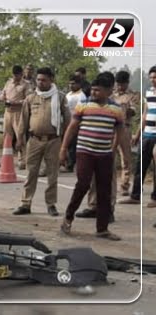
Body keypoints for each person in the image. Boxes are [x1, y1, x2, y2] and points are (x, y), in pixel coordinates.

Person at [60, 76, 127, 241]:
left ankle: (102, 228)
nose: (94, 92)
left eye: (98, 90)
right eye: (93, 89)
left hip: (104, 154)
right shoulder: (83, 106)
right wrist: (63, 149)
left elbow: (119, 132)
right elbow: (72, 128)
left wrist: (114, 150)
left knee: (104, 191)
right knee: (82, 184)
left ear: (109, 90)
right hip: (85, 152)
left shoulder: (116, 109)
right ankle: (68, 218)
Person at [13, 67, 70, 216]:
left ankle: (51, 204)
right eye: (38, 79)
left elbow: (68, 121)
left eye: (44, 80)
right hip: (34, 140)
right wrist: (19, 139)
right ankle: (25, 203)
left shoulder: (61, 97)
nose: (40, 82)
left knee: (52, 174)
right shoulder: (31, 98)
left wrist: (65, 142)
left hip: (53, 141)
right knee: (31, 172)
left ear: (51, 80)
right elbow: (23, 121)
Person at [118, 65, 156, 208]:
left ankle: (155, 197)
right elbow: (145, 114)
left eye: (155, 77)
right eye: (151, 77)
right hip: (147, 134)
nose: (153, 80)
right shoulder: (149, 93)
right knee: (141, 165)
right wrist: (138, 134)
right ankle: (135, 196)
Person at [112, 70, 140, 196]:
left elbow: (134, 110)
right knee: (108, 156)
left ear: (127, 83)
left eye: (122, 84)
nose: (119, 87)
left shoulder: (133, 95)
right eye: (118, 84)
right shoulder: (110, 95)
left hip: (124, 128)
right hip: (110, 129)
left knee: (126, 159)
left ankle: (124, 186)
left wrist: (126, 108)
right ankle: (108, 183)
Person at [0, 65, 31, 170]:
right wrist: (3, 99)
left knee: (20, 136)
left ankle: (22, 160)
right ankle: (6, 158)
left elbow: (28, 99)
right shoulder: (8, 83)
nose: (15, 77)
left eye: (17, 75)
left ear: (21, 74)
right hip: (8, 113)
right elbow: (1, 95)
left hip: (19, 113)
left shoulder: (26, 85)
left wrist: (16, 102)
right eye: (14, 75)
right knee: (6, 136)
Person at [64, 74, 87, 172]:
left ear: (78, 84)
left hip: (75, 123)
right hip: (66, 122)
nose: (71, 86)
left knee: (73, 145)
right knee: (67, 143)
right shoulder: (68, 94)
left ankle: (70, 165)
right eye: (70, 84)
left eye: (73, 84)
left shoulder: (81, 95)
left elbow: (81, 111)